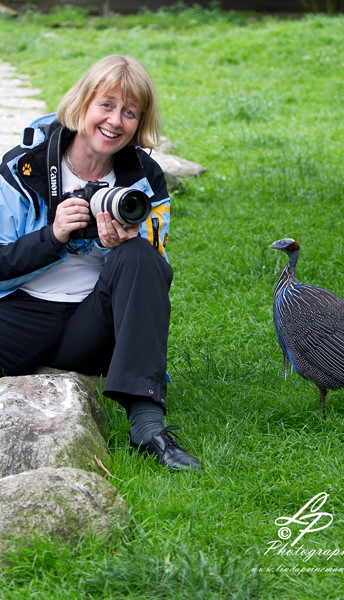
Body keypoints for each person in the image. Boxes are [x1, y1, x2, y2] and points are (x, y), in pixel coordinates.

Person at [0, 54, 201, 471]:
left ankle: (147, 423)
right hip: (22, 309)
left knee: (140, 258)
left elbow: (154, 271)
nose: (115, 121)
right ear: (84, 103)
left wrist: (120, 243)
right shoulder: (25, 166)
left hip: (94, 323)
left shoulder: (142, 179)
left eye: (130, 112)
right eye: (106, 105)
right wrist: (52, 236)